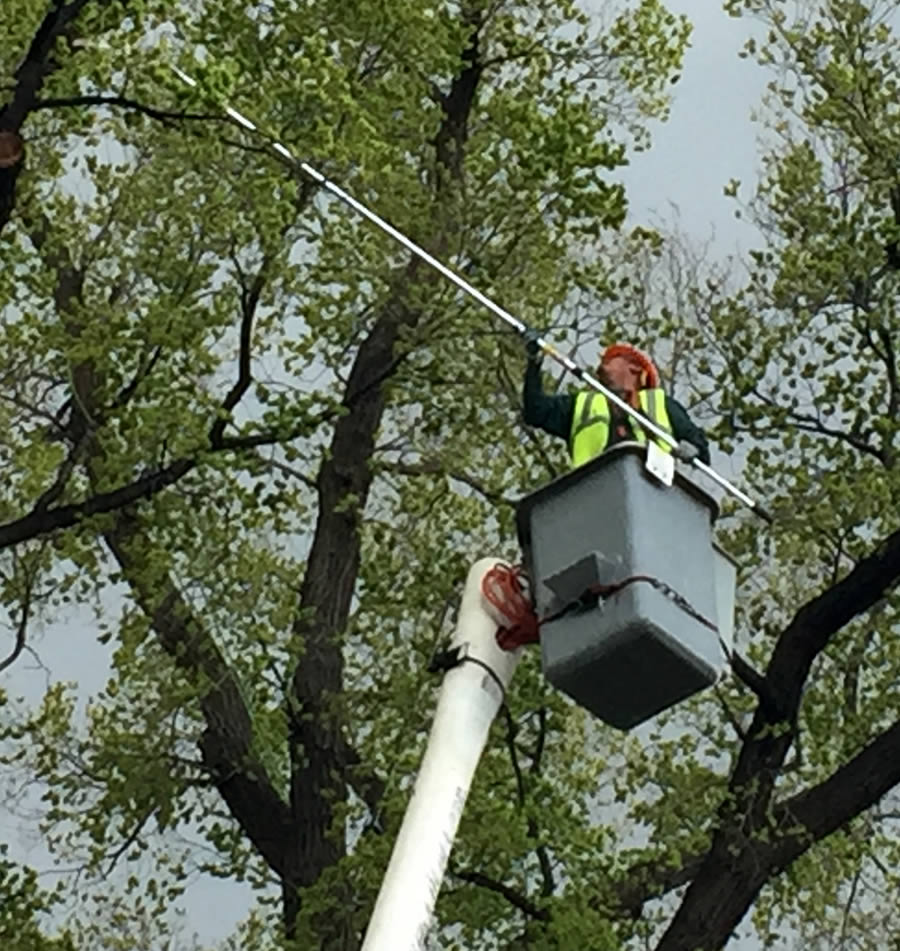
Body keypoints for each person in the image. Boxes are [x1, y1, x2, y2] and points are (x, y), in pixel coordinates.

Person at [522, 333, 710, 467]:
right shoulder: (582, 405)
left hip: (650, 491)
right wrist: (534, 362)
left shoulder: (661, 405)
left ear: (634, 369)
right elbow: (535, 411)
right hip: (592, 489)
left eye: (608, 361)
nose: (599, 369)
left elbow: (698, 445)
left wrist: (694, 450)